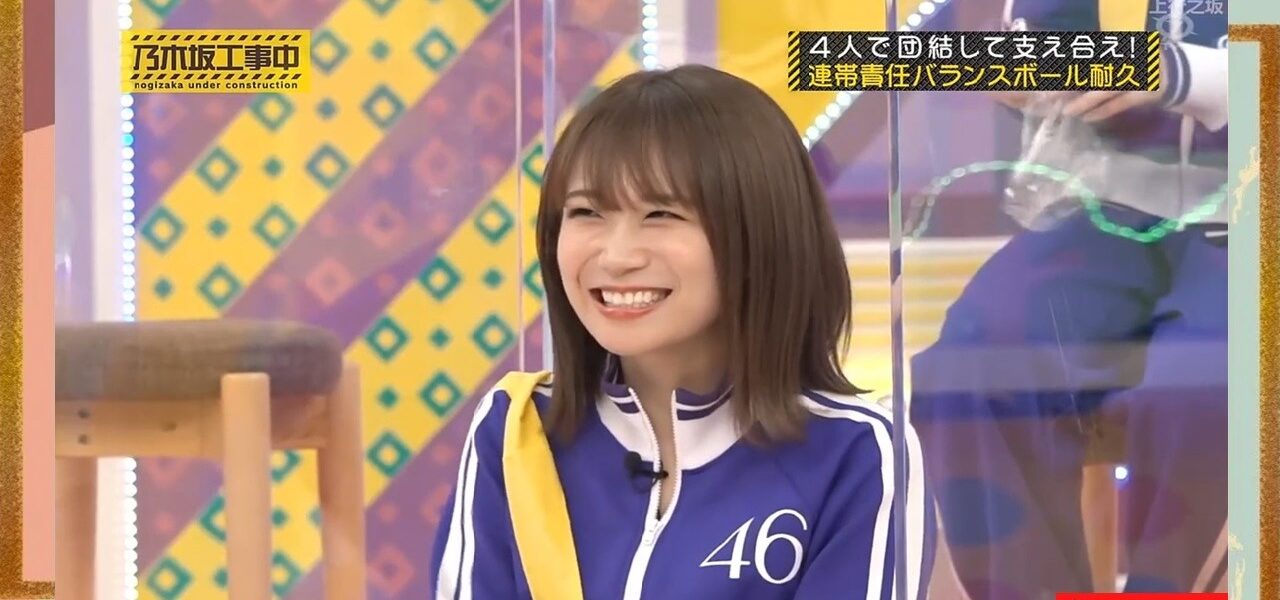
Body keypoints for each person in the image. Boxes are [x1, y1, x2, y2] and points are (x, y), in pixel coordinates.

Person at [430, 64, 934, 599]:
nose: (616, 256)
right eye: (586, 212)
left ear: (759, 235)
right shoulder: (516, 432)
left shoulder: (858, 453)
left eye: (661, 214)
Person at [910, 0, 1228, 597]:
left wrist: (1186, 74)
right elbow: (1047, 34)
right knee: (971, 363)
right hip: (1110, 207)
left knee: (1207, 385)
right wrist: (1028, 71)